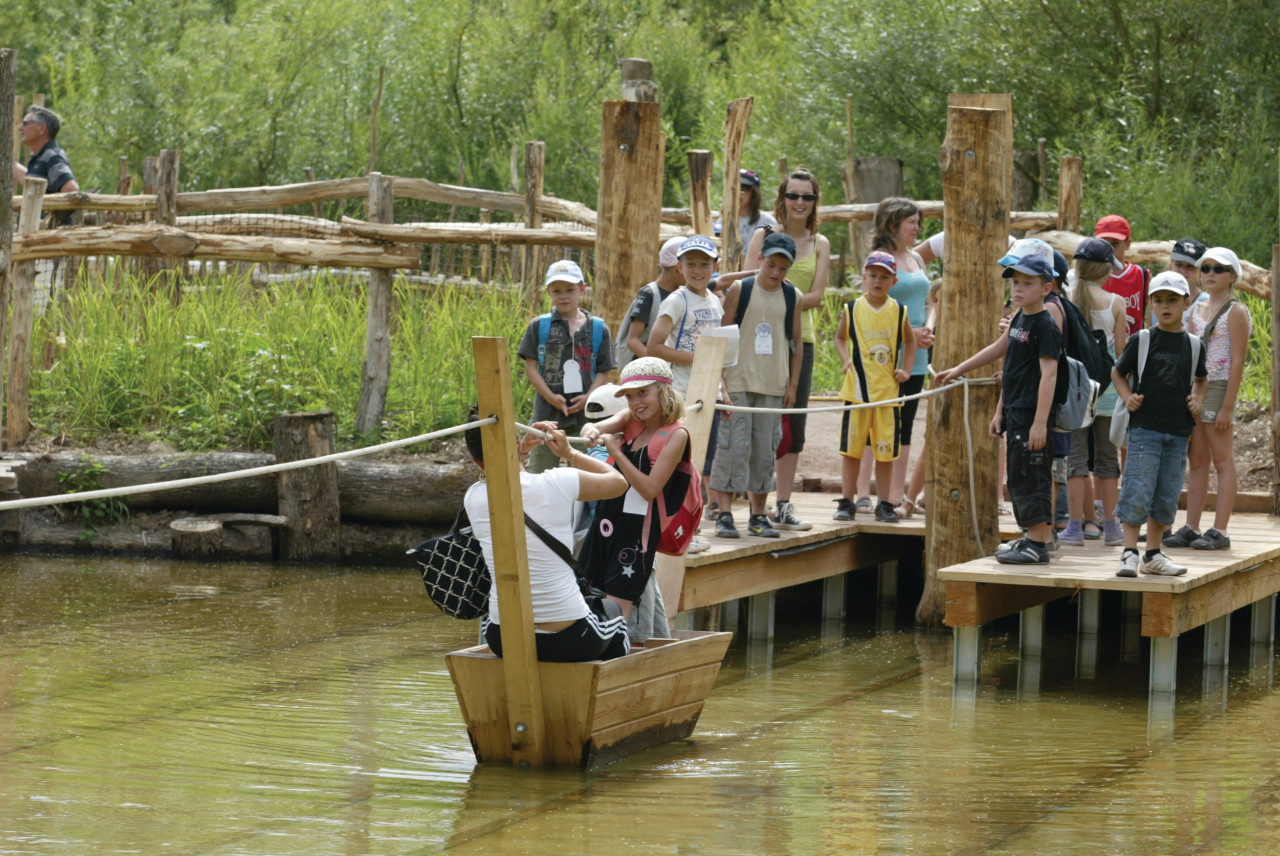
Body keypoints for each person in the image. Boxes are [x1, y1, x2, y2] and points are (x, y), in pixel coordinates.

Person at [464, 417, 631, 662]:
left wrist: (519, 451)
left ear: (476, 461)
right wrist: (569, 452)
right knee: (614, 614)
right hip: (569, 637)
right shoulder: (556, 482)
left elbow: (510, 485)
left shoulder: (472, 498)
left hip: (504, 639)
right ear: (516, 442)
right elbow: (619, 483)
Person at [937, 254, 1061, 564]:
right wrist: (959, 372)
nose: (1018, 289)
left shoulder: (1045, 325)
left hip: (1033, 414)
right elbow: (1002, 354)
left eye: (1027, 284)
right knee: (1017, 475)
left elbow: (1049, 374)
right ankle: (1029, 536)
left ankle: (1038, 543)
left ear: (1046, 288)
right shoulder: (1019, 318)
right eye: (1015, 283)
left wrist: (1040, 423)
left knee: (1032, 475)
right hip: (1015, 409)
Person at [743, 167, 830, 532]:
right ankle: (755, 508)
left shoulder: (820, 243)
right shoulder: (763, 235)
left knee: (793, 423)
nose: (799, 203)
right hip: (761, 341)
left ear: (814, 202)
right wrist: (787, 297)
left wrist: (780, 294)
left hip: (800, 340)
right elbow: (747, 284)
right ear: (782, 199)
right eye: (792, 195)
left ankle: (783, 503)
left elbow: (817, 296)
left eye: (806, 197)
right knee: (757, 419)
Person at [579, 358, 693, 636]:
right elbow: (591, 428)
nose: (636, 402)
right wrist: (591, 431)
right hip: (606, 522)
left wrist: (617, 453)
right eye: (629, 396)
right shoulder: (631, 419)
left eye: (643, 392)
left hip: (637, 533)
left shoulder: (676, 435)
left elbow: (650, 489)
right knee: (585, 595)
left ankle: (614, 659)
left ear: (664, 391)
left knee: (617, 606)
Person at [1112, 273, 1208, 577]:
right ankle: (1129, 552)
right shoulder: (1142, 339)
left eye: (1172, 300)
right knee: (1138, 487)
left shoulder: (1193, 344)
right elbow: (1117, 373)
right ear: (1150, 303)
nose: (1164, 306)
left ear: (1186, 303)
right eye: (1158, 300)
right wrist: (1127, 397)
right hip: (1145, 429)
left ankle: (1152, 554)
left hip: (1179, 433)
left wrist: (1198, 399)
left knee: (1166, 494)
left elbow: (1201, 379)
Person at [710, 232, 803, 538]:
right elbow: (723, 334)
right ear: (760, 259)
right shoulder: (741, 289)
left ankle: (758, 515)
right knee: (732, 447)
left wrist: (792, 386)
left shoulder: (793, 296)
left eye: (783, 268)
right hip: (738, 380)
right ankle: (724, 513)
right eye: (771, 264)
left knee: (765, 450)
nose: (776, 272)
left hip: (773, 384)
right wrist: (720, 381)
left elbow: (796, 342)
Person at [1164, 247, 1252, 551]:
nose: (1210, 274)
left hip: (1219, 387)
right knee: (1197, 459)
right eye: (1206, 268)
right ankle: (1192, 525)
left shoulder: (1236, 311)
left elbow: (1238, 361)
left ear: (1232, 276)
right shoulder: (1197, 310)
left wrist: (1228, 405)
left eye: (1218, 269)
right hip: (1196, 389)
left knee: (1223, 459)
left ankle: (1221, 530)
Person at [854, 198, 933, 516]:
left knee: (905, 423)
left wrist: (927, 329)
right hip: (883, 354)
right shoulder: (880, 260)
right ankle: (862, 492)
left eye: (918, 222)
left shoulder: (916, 257)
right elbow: (868, 304)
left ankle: (896, 494)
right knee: (876, 422)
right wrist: (908, 334)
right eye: (911, 222)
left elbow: (929, 302)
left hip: (915, 356)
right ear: (892, 225)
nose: (917, 228)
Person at [833, 251, 916, 522]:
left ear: (894, 281)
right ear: (864, 277)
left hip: (888, 394)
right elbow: (840, 338)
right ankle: (847, 501)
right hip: (857, 393)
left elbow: (911, 342)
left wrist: (905, 368)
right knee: (852, 450)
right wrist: (846, 360)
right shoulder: (852, 308)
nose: (877, 281)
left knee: (885, 452)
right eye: (873, 275)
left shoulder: (899, 311)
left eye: (884, 277)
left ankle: (884, 503)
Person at [1059, 237, 1128, 547]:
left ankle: (1077, 526)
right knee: (1106, 459)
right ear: (1106, 271)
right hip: (1109, 391)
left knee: (1076, 459)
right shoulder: (1116, 303)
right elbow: (1122, 356)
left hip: (1075, 390)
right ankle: (1111, 527)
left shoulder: (1063, 300)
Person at [517, 259, 616, 473]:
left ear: (582, 289)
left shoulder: (598, 328)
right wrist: (550, 397)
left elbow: (604, 370)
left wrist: (589, 397)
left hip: (587, 415)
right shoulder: (539, 326)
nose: (564, 296)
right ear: (548, 292)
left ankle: (581, 507)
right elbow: (531, 367)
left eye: (570, 290)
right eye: (557, 290)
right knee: (540, 470)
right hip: (547, 413)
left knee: (586, 470)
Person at [618, 236, 686, 367]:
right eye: (690, 266)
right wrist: (657, 366)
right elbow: (633, 340)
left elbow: (718, 283)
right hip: (644, 369)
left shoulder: (684, 294)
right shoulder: (650, 294)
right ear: (678, 269)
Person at [1093, 214, 1150, 336]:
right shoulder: (1092, 276)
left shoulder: (1142, 275)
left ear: (1128, 244)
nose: (1109, 249)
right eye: (1103, 243)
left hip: (1134, 348)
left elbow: (1153, 314)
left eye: (1115, 243)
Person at [13, 106, 80, 193]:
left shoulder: (53, 156)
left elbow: (71, 189)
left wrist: (47, 205)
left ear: (41, 128)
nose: (20, 128)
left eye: (25, 123)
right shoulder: (43, 156)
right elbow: (26, 178)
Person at [1169, 237, 1208, 327]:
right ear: (1171, 266)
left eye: (1190, 267)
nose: (1183, 270)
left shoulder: (1206, 302)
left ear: (1200, 271)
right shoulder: (1158, 297)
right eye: (1179, 265)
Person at [736, 168, 778, 249]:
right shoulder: (723, 221)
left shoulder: (767, 221)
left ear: (754, 192)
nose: (739, 192)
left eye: (744, 187)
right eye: (735, 187)